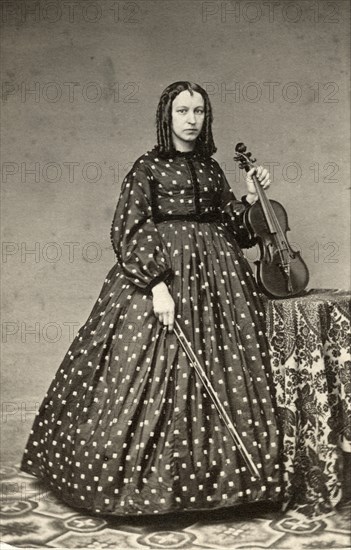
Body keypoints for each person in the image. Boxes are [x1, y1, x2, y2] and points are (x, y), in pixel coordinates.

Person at [20, 81, 282, 516]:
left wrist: (252, 199)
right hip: (162, 279)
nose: (192, 120)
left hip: (220, 286)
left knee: (231, 372)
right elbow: (130, 229)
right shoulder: (147, 169)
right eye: (183, 111)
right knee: (147, 374)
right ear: (167, 117)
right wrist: (157, 286)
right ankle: (152, 489)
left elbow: (236, 231)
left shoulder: (214, 170)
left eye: (199, 112)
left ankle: (227, 486)